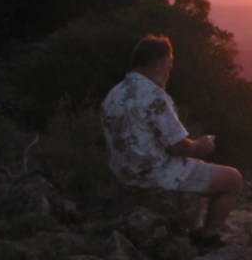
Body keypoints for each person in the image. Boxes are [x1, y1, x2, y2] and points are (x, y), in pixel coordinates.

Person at [101, 34, 243, 242]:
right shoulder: (154, 97)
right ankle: (208, 237)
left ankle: (193, 228)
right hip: (155, 176)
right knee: (233, 179)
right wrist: (199, 146)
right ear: (158, 64)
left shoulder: (113, 95)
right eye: (169, 66)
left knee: (199, 168)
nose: (169, 72)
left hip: (124, 175)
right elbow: (178, 146)